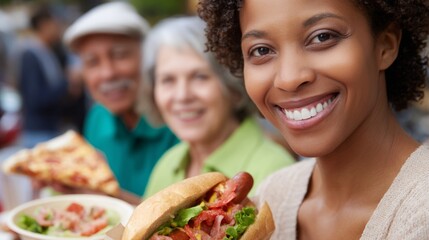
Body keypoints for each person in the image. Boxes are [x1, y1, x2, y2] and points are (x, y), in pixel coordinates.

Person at [198, 0, 429, 239]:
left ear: (385, 45)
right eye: (261, 50)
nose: (289, 79)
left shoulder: (422, 214)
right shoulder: (272, 196)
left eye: (322, 37)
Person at [141, 16, 295, 198]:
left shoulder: (275, 170)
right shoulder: (168, 162)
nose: (182, 95)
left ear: (233, 87)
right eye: (168, 80)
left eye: (199, 76)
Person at [63, 1, 179, 199]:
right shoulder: (97, 117)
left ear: (148, 58)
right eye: (92, 62)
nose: (107, 73)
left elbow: (189, 219)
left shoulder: (181, 117)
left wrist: (109, 196)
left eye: (120, 55)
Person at [16, 5, 82, 148]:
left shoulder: (48, 52)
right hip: (39, 131)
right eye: (55, 24)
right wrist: (67, 83)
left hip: (50, 128)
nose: (58, 29)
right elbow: (36, 98)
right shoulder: (31, 54)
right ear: (44, 25)